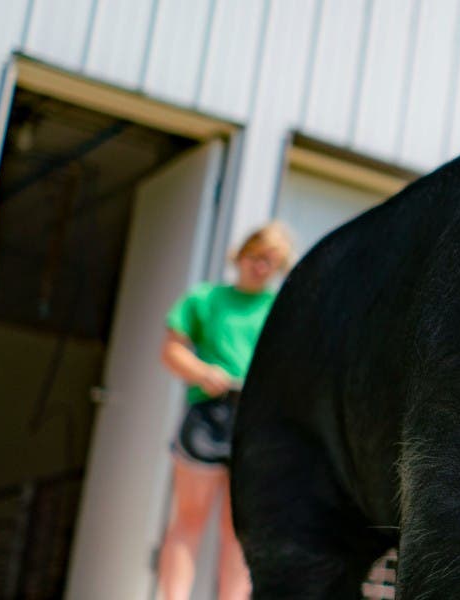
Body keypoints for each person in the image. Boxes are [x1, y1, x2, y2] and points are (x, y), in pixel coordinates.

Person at [157, 223, 293, 600]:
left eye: (271, 261)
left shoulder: (282, 309)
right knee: (189, 519)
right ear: (240, 255)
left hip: (258, 420)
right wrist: (203, 372)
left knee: (239, 530)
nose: (261, 267)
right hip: (209, 416)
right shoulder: (204, 299)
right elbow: (171, 350)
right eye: (256, 257)